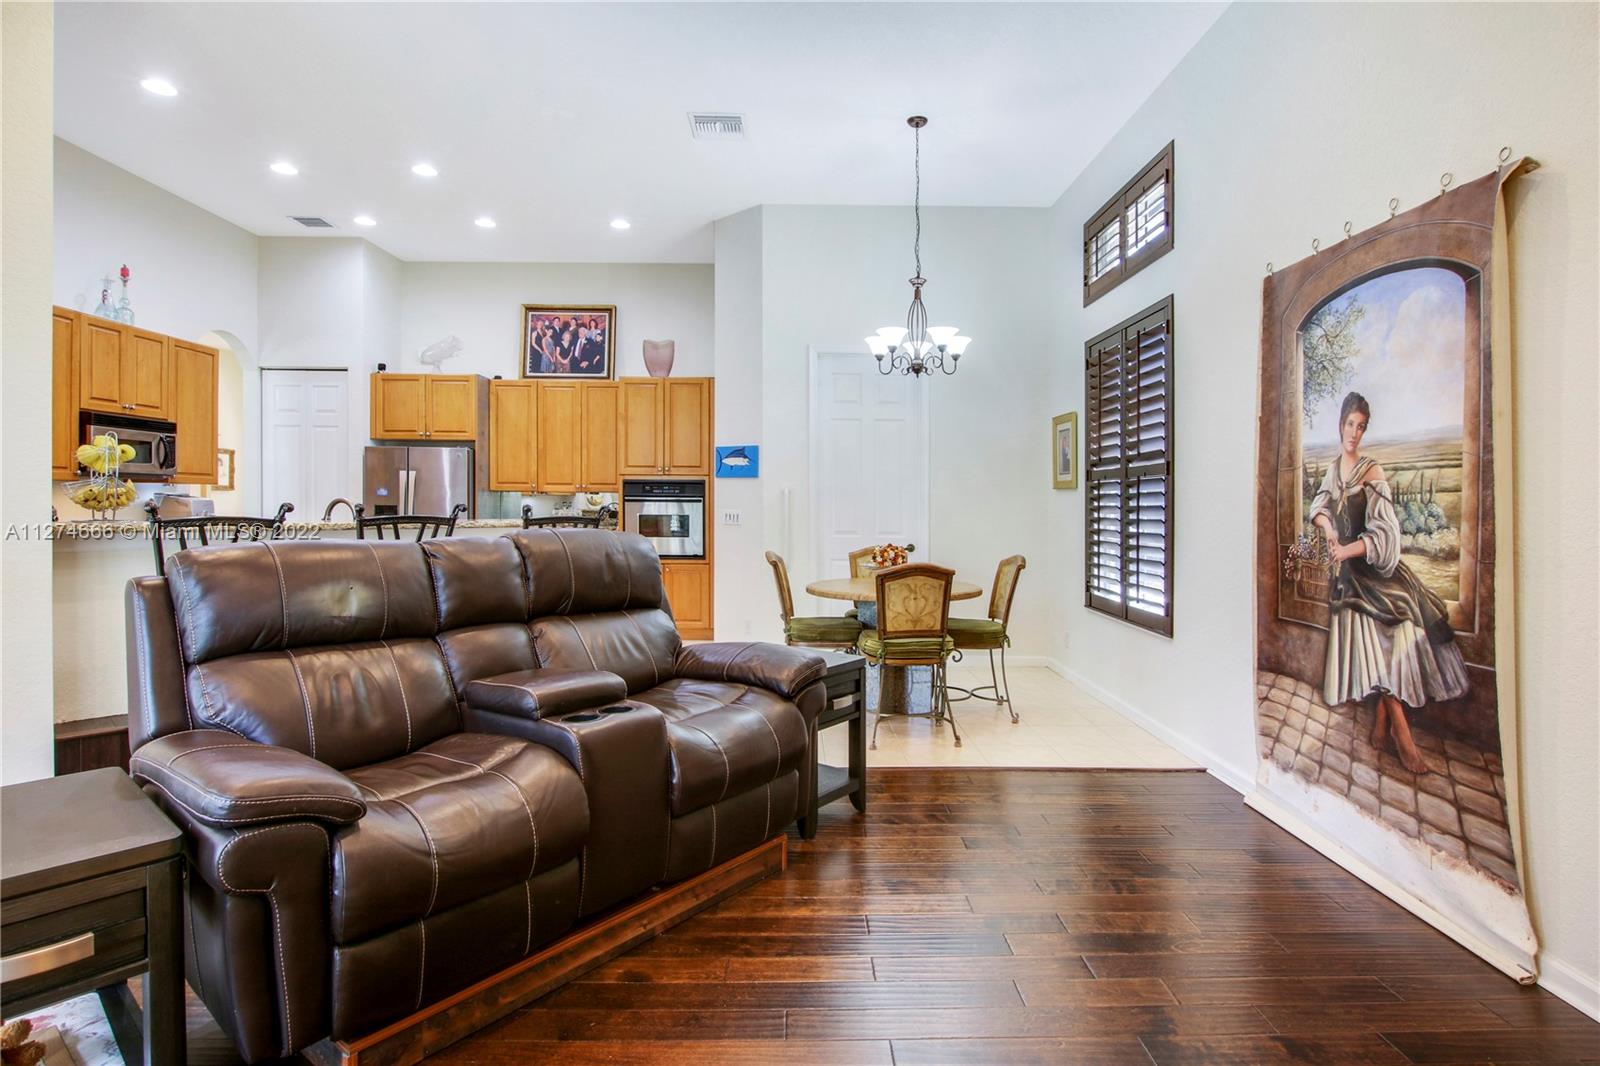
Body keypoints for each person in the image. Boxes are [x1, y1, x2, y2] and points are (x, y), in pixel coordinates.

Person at [1309, 391, 1468, 775]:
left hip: (1375, 571)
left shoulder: (1372, 471)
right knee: (1373, 649)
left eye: (1361, 426)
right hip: (1351, 579)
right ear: (1341, 424)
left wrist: (1347, 552)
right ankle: (1385, 723)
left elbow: (1387, 536)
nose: (1355, 432)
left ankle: (1399, 730)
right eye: (1350, 424)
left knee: (1397, 637)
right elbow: (1318, 506)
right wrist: (1329, 528)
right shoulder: (1335, 469)